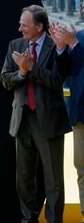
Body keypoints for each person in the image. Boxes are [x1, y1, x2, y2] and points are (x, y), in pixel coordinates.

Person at [0, 4, 70, 223]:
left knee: (53, 178)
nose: (20, 28)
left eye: (25, 25)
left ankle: (53, 219)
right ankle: (28, 218)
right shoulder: (16, 45)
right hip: (22, 120)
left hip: (48, 120)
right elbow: (5, 79)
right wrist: (21, 72)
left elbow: (57, 80)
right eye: (21, 24)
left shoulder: (55, 46)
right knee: (24, 176)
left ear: (39, 27)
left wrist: (32, 69)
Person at [49, 22, 84, 222]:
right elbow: (66, 73)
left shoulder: (76, 39)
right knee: (81, 168)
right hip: (80, 113)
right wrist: (61, 47)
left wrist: (72, 43)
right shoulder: (77, 36)